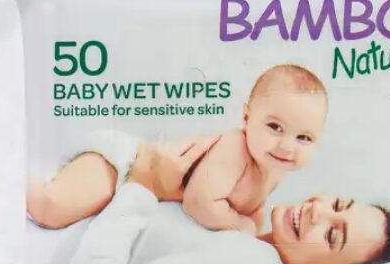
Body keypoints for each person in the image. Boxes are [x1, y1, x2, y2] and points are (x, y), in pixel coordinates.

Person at [52, 135, 390, 264]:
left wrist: (143, 185)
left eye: (333, 235)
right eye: (338, 205)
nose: (319, 211)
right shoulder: (247, 237)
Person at [28, 64, 328, 235]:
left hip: (137, 186)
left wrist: (255, 227)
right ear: (247, 117)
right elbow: (200, 202)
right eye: (275, 127)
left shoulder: (273, 170)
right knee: (49, 208)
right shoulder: (236, 148)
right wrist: (239, 225)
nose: (287, 146)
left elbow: (251, 205)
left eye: (304, 138)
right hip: (123, 163)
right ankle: (8, 180)